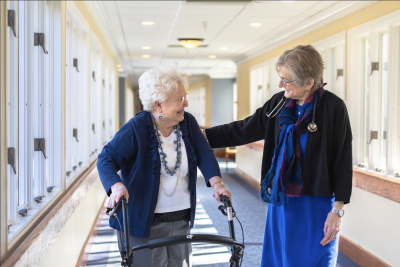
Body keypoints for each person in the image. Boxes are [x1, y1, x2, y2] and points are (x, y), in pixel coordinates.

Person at [204, 45, 352, 267]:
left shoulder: (333, 108)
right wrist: (200, 137)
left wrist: (337, 211)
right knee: (280, 257)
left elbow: (342, 160)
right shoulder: (279, 103)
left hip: (315, 204)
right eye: (280, 78)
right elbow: (244, 129)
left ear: (309, 82)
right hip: (282, 200)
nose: (281, 84)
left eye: (286, 79)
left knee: (314, 258)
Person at [97, 65, 231, 267]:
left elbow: (204, 153)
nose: (186, 103)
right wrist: (116, 185)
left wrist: (217, 183)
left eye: (185, 97)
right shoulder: (136, 128)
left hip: (181, 221)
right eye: (179, 99)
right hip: (142, 224)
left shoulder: (187, 123)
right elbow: (106, 159)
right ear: (158, 105)